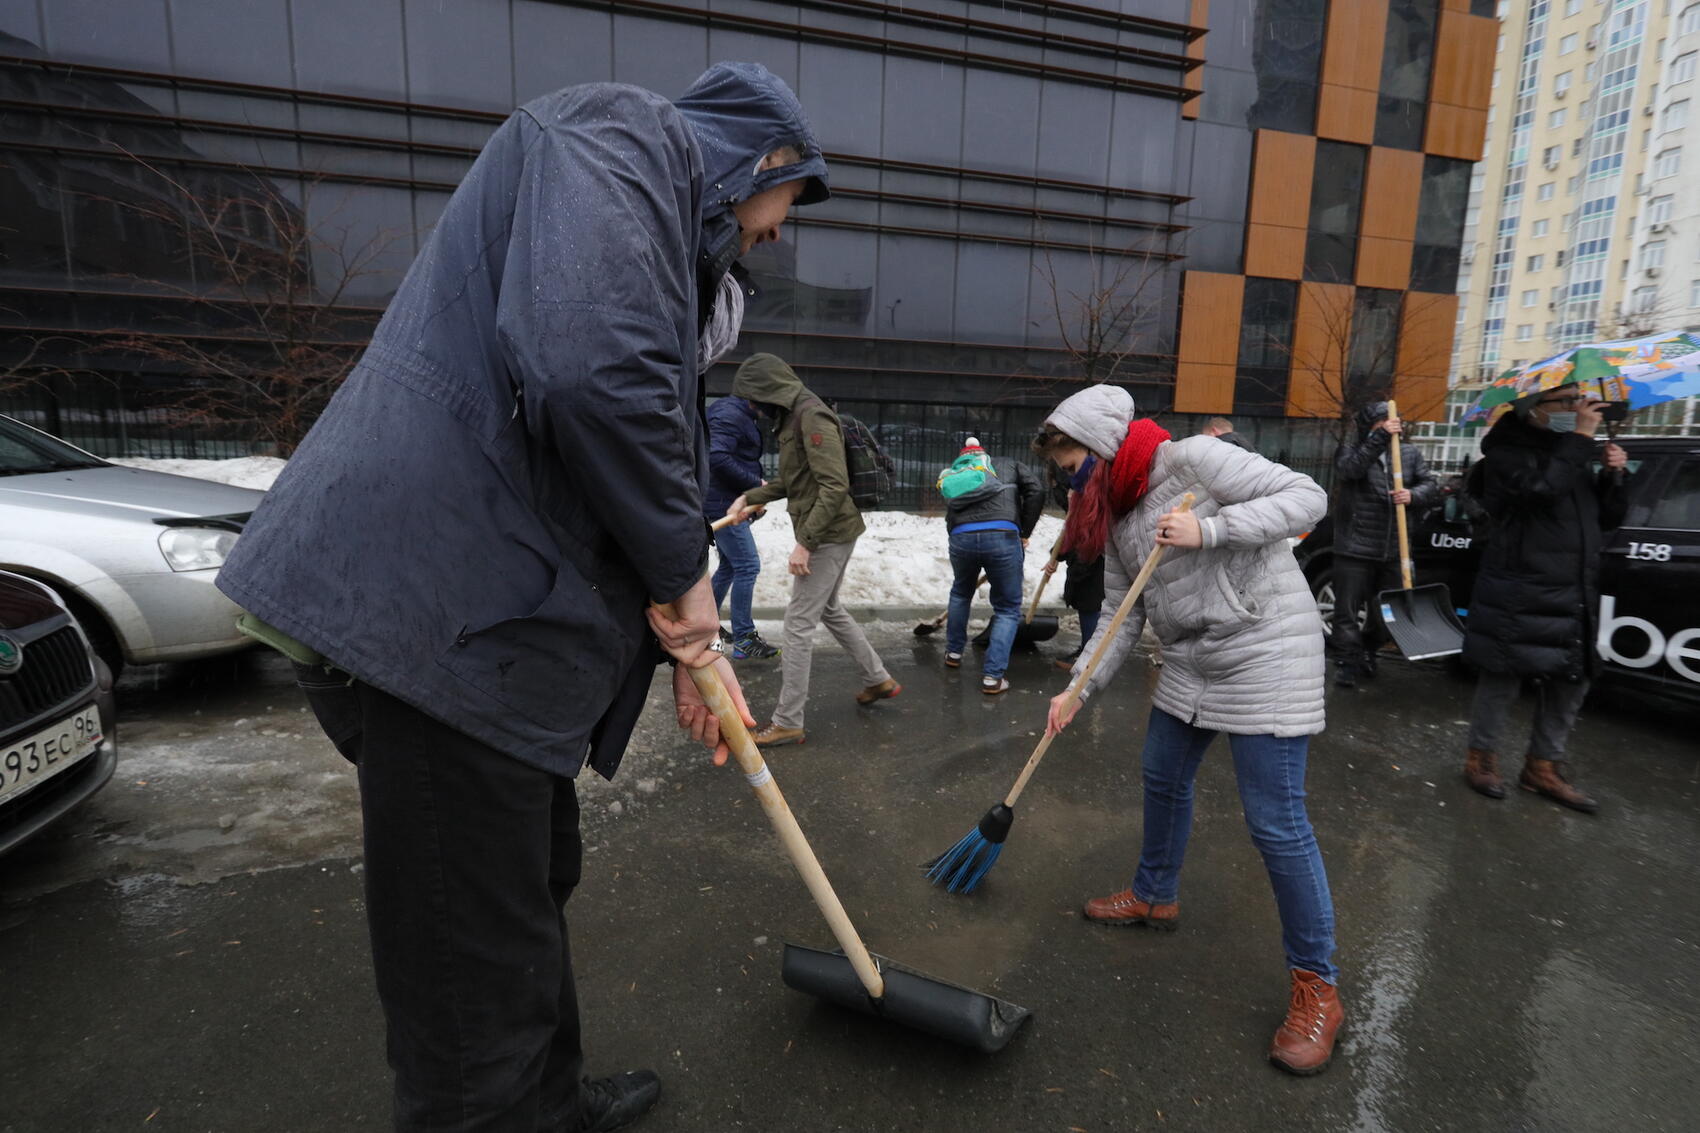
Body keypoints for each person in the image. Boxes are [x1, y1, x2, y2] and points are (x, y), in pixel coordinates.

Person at [214, 63, 830, 1132]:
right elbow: (590, 371)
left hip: (486, 627)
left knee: (526, 884)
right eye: (788, 200)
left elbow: (623, 445)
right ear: (755, 161)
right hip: (433, 616)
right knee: (469, 973)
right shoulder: (619, 135)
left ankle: (548, 1102)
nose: (776, 233)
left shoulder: (645, 229)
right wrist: (688, 588)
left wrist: (697, 648)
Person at [1037, 384, 1344, 1077]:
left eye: (1070, 453)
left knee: (1275, 820)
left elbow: (1307, 498)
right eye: (1058, 460)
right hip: (1191, 659)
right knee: (1161, 772)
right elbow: (1120, 615)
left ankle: (1317, 986)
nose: (1065, 471)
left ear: (1103, 440)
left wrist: (1210, 529)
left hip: (1266, 645)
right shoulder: (1115, 516)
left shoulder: (1197, 458)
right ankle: (1154, 891)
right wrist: (1077, 688)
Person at [1460, 385, 1630, 814]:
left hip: (1573, 588)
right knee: (1502, 675)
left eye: (1579, 400)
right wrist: (1580, 440)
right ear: (1535, 410)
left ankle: (1543, 766)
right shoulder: (1505, 455)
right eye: (1567, 402)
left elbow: (1607, 518)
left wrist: (1613, 476)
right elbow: (1537, 492)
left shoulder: (1570, 452)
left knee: (1571, 679)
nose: (1577, 408)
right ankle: (1480, 759)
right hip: (1520, 588)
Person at [723, 353, 898, 745]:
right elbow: (793, 481)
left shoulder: (812, 417)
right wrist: (749, 496)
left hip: (828, 533)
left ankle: (788, 720)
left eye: (754, 398)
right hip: (832, 529)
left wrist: (805, 544)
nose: (753, 407)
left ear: (770, 391)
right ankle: (877, 678)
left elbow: (834, 486)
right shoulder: (793, 416)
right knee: (830, 609)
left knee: (798, 624)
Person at [1328, 400, 1441, 688]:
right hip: (1354, 548)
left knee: (1386, 611)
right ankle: (1347, 662)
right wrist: (1378, 439)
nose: (1389, 428)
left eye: (1392, 423)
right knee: (1347, 611)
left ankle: (1369, 649)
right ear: (1369, 427)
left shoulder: (1409, 454)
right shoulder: (1350, 451)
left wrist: (1413, 495)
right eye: (1380, 424)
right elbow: (1351, 470)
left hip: (1392, 549)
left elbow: (1430, 485)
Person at [936, 436, 1046, 693]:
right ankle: (992, 677)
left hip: (961, 537)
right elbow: (1037, 490)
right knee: (1007, 608)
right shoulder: (1009, 464)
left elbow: (951, 510)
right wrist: (1024, 530)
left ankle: (953, 653)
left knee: (961, 593)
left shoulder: (955, 473)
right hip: (1002, 535)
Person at [704, 368, 779, 660]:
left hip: (724, 501)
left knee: (731, 567)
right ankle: (745, 638)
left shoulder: (737, 414)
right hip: (722, 505)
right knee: (747, 565)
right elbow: (717, 456)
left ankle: (707, 626)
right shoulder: (730, 414)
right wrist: (755, 484)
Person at [1041, 454, 1107, 672]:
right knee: (1084, 600)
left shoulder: (1090, 492)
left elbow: (1078, 528)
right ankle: (1087, 649)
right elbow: (1070, 528)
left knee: (1089, 601)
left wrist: (1059, 555)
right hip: (1084, 549)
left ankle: (1090, 657)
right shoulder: (1078, 491)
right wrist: (1056, 556)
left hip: (1094, 552)